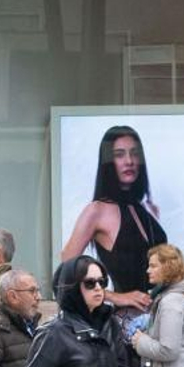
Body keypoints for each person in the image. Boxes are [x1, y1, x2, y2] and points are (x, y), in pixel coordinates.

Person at [59, 125, 167, 313]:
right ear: (108, 162)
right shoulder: (96, 211)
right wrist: (115, 297)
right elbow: (66, 272)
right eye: (119, 154)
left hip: (159, 314)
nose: (129, 161)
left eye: (134, 153)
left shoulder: (144, 208)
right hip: (128, 322)